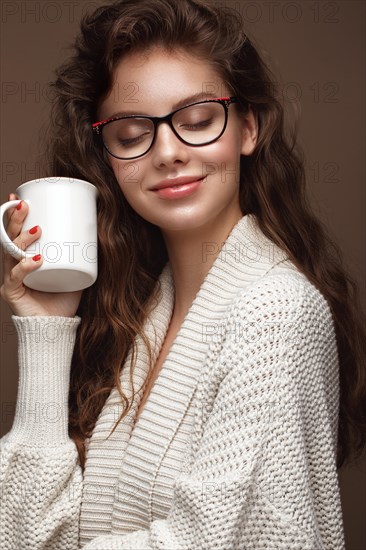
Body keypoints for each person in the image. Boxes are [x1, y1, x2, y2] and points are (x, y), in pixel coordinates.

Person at [1, 0, 365, 548]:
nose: (168, 152)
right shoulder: (146, 315)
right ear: (108, 158)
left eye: (197, 120)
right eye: (130, 134)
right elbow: (24, 532)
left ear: (248, 128)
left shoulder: (277, 311)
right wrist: (47, 331)